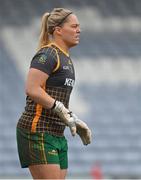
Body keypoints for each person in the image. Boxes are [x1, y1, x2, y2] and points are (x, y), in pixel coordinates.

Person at [16, 8, 92, 179]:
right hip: (38, 131)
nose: (78, 30)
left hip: (57, 133)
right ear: (58, 30)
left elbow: (56, 98)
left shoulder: (66, 58)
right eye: (74, 26)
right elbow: (32, 88)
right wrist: (59, 108)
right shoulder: (48, 54)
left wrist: (72, 117)